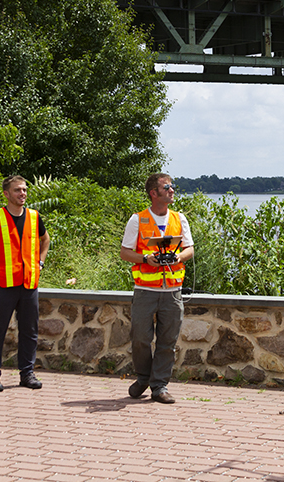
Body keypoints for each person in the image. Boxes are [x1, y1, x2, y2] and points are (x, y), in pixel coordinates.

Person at [0, 175, 51, 392]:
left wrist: (40, 262)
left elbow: (46, 239)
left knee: (29, 331)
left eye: (24, 190)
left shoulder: (34, 216)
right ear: (6, 194)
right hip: (4, 284)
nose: (22, 194)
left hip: (28, 283)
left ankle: (27, 374)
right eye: (17, 190)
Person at [120, 173, 194, 404]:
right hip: (145, 290)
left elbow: (190, 249)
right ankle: (144, 378)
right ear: (154, 193)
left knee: (167, 341)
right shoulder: (137, 220)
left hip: (172, 290)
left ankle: (159, 386)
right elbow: (125, 253)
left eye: (172, 187)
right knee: (140, 338)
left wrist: (178, 258)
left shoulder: (179, 218)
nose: (172, 190)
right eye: (167, 187)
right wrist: (145, 258)